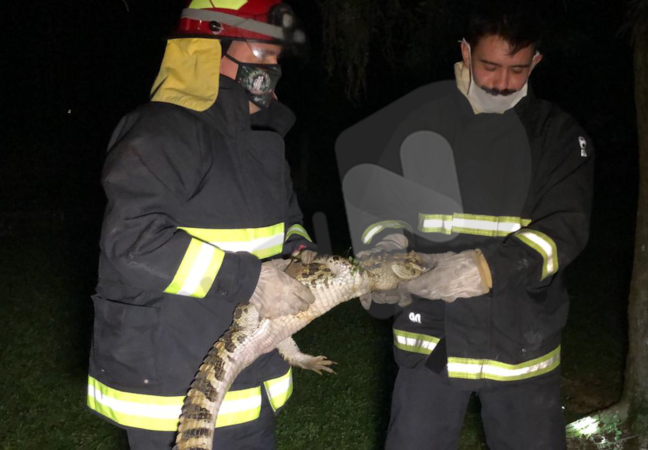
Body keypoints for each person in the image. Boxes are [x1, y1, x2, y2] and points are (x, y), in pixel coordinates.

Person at [356, 2, 595, 448]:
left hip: (521, 348)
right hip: (429, 339)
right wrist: (382, 249)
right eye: (489, 66)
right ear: (465, 53)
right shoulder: (421, 123)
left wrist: (485, 269)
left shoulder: (559, 136)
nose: (503, 84)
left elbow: (565, 229)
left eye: (518, 70)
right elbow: (380, 205)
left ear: (536, 62)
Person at [86, 1, 317, 448]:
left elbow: (290, 220)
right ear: (210, 48)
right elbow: (132, 241)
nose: (274, 70)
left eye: (277, 58)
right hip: (174, 384)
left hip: (250, 372)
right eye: (263, 55)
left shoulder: (262, 139)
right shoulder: (163, 131)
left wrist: (300, 252)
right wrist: (249, 280)